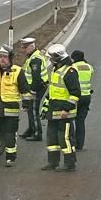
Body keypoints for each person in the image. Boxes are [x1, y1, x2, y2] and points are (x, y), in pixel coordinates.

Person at [0, 46, 26, 167]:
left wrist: (27, 104)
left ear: (10, 58)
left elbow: (25, 90)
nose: (2, 59)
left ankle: (10, 158)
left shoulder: (18, 71)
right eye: (0, 57)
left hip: (10, 111)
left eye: (5, 57)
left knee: (9, 135)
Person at [44, 41, 82, 171]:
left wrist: (66, 109)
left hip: (64, 113)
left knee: (65, 138)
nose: (50, 60)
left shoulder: (69, 71)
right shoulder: (57, 69)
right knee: (52, 138)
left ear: (57, 58)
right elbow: (54, 91)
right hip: (54, 111)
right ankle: (53, 162)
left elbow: (76, 93)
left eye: (51, 58)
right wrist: (46, 106)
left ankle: (69, 164)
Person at [20, 35, 48, 140]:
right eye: (23, 47)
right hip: (34, 86)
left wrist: (32, 91)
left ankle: (37, 133)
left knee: (34, 110)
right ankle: (31, 129)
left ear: (31, 46)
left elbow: (36, 78)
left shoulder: (35, 59)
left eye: (25, 47)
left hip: (37, 87)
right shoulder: (33, 56)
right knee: (30, 109)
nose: (23, 50)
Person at [71, 48, 94, 150]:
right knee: (80, 121)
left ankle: (71, 141)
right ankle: (80, 144)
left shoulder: (73, 67)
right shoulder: (89, 67)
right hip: (86, 97)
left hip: (76, 97)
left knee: (69, 119)